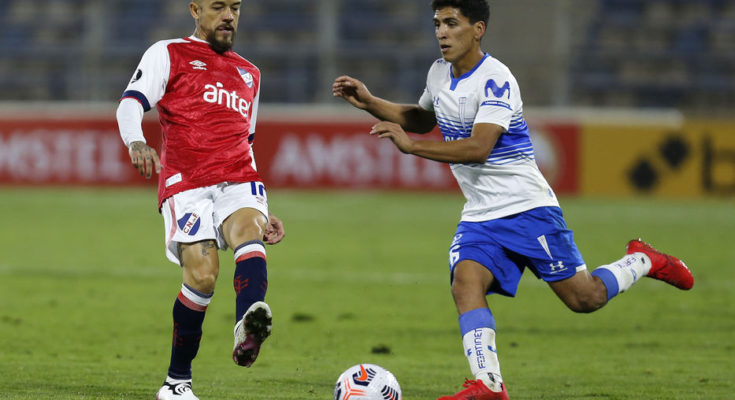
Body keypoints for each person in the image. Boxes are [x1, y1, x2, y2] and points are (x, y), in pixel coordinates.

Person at [332, 1, 694, 399]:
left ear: (477, 29)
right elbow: (422, 118)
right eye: (437, 23)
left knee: (584, 298)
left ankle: (643, 259)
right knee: (465, 282)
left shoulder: (497, 79)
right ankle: (489, 385)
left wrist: (412, 148)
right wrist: (370, 101)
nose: (441, 32)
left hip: (527, 209)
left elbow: (479, 148)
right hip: (481, 213)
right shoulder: (439, 73)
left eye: (452, 23)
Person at [116, 1, 285, 399]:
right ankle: (177, 382)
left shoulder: (250, 73)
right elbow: (130, 103)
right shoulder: (168, 53)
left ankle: (248, 320)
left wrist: (264, 208)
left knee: (249, 231)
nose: (229, 15)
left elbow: (248, 141)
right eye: (218, 6)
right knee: (202, 276)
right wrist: (136, 141)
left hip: (240, 178)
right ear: (195, 9)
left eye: (236, 7)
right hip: (187, 181)